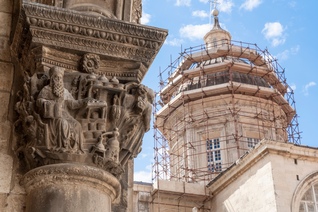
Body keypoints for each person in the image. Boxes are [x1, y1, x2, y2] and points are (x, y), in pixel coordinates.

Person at [37, 66, 85, 153]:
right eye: (56, 77)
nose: (58, 79)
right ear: (52, 78)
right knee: (63, 123)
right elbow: (39, 101)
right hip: (52, 115)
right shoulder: (46, 89)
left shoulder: (65, 91)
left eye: (60, 77)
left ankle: (75, 148)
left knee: (77, 124)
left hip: (65, 114)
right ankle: (64, 146)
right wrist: (46, 102)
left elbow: (72, 104)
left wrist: (83, 102)